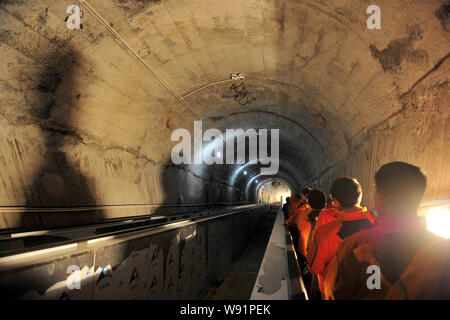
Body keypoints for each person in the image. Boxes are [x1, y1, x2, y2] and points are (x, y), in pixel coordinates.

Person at [323, 162, 449, 299]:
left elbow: (334, 293)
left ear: (380, 199)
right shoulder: (443, 249)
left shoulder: (356, 246)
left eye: (375, 190)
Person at [307, 177, 376, 295]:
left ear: (335, 201)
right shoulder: (378, 225)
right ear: (359, 197)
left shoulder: (326, 232)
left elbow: (314, 268)